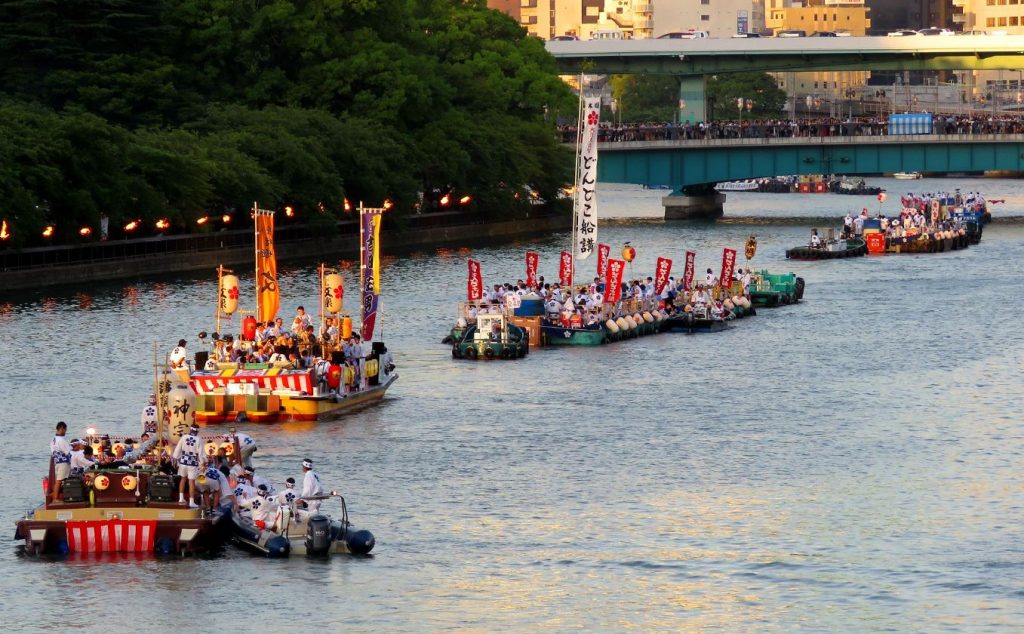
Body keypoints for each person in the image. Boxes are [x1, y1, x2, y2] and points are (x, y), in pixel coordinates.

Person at [172, 424, 204, 508]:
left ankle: (181, 498)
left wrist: (176, 458)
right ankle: (191, 501)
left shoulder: (184, 437)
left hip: (183, 461)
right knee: (191, 482)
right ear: (197, 431)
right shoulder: (198, 439)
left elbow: (177, 449)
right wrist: (203, 462)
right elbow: (201, 454)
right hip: (192, 462)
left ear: (190, 429)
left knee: (183, 479)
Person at [50, 422, 72, 502]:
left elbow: (53, 452)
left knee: (58, 480)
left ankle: (56, 496)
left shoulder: (53, 440)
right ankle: (55, 498)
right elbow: (68, 452)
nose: (65, 432)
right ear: (62, 428)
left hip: (57, 462)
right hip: (63, 462)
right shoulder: (61, 440)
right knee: (59, 481)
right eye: (65, 430)